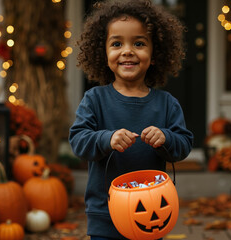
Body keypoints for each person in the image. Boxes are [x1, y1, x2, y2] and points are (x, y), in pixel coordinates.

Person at [69, 0, 194, 239]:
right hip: (105, 213)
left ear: (154, 54)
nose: (127, 51)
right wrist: (107, 139)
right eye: (117, 43)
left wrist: (165, 138)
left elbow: (184, 145)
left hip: (151, 213)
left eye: (138, 43)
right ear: (103, 53)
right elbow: (78, 141)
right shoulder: (94, 99)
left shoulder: (166, 103)